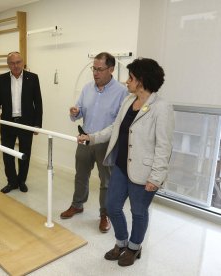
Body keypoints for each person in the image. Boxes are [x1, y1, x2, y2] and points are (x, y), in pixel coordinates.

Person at [78, 58, 174, 266]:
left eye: (130, 78)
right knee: (112, 207)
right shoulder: (129, 101)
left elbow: (164, 147)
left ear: (141, 80)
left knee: (138, 213)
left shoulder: (161, 107)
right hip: (121, 166)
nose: (126, 81)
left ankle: (134, 247)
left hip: (144, 171)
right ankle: (121, 242)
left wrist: (156, 177)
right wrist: (92, 137)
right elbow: (115, 128)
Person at [60, 52, 127, 233]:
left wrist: (98, 137)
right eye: (93, 69)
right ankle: (77, 204)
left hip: (106, 143)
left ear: (111, 69)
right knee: (80, 175)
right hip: (85, 139)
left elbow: (118, 124)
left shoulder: (122, 92)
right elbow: (79, 112)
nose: (95, 73)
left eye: (100, 69)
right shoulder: (87, 88)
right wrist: (75, 112)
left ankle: (105, 214)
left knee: (106, 181)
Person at [0, 51, 43, 194]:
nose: (16, 65)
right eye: (12, 63)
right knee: (7, 154)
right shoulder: (2, 79)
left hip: (26, 122)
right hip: (8, 122)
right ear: (8, 64)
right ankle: (11, 182)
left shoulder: (32, 78)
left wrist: (37, 124)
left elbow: (38, 102)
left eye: (18, 62)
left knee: (25, 153)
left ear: (23, 62)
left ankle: (22, 181)